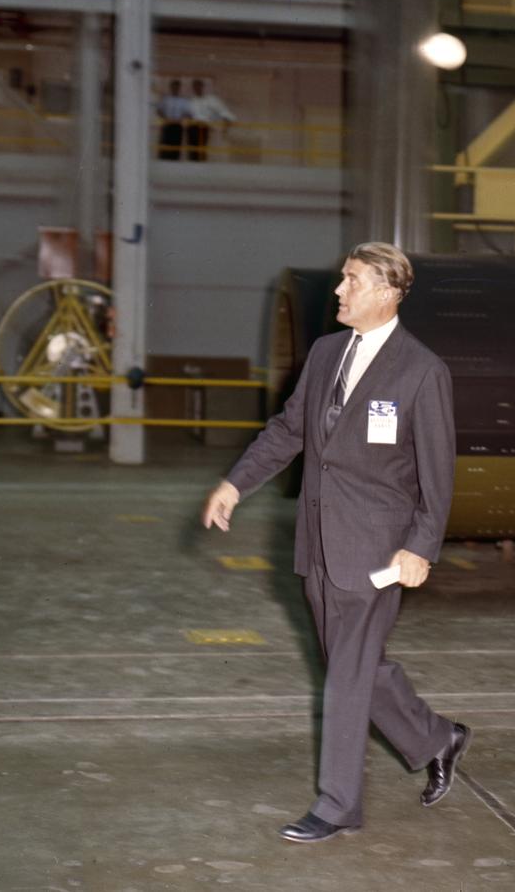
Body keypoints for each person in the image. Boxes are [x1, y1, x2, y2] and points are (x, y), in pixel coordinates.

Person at [202, 242, 470, 844]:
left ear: (387, 291)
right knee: (354, 666)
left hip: (378, 550)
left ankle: (339, 803)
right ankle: (436, 738)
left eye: (351, 281)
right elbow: (290, 430)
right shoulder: (326, 353)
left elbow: (438, 472)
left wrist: (421, 547)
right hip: (318, 541)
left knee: (346, 676)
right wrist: (235, 483)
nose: (339, 291)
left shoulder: (422, 370)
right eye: (343, 280)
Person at [186, 78, 234, 161]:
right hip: (192, 128)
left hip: (203, 128)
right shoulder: (190, 101)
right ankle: (192, 164)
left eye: (199, 86)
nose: (197, 88)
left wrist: (226, 124)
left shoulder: (210, 100)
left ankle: (201, 165)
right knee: (192, 150)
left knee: (202, 150)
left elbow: (224, 112)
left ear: (202, 87)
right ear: (193, 88)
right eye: (195, 86)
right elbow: (187, 115)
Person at [156, 79, 190, 160]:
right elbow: (159, 110)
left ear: (179, 88)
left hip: (177, 124)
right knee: (165, 142)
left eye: (177, 87)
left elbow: (187, 112)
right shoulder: (166, 99)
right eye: (174, 87)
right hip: (167, 124)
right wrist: (165, 117)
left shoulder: (183, 100)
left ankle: (175, 159)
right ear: (171, 87)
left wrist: (181, 118)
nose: (175, 88)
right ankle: (163, 159)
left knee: (176, 143)